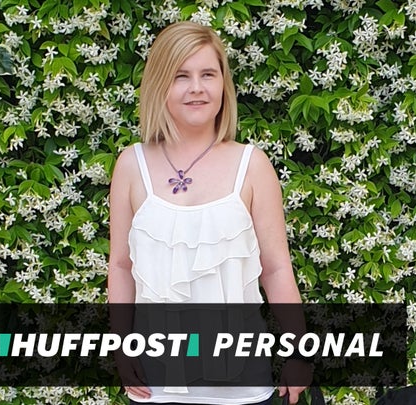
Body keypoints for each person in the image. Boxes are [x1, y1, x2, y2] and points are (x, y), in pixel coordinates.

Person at [108, 21, 306, 405]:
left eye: (207, 74)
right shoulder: (131, 165)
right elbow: (120, 266)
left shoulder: (253, 165)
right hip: (155, 387)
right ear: (159, 85)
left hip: (244, 387)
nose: (196, 87)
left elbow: (277, 268)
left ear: (223, 85)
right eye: (181, 75)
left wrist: (299, 352)